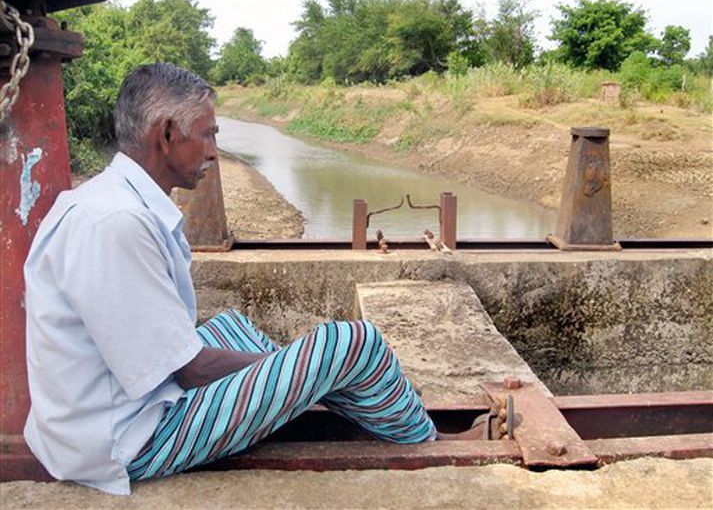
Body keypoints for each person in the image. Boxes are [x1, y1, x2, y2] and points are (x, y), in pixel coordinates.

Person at [23, 63, 496, 496]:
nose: (213, 152)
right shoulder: (117, 225)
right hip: (127, 441)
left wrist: (291, 372)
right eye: (207, 135)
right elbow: (185, 370)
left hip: (99, 416)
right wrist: (305, 369)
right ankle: (428, 441)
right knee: (351, 344)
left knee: (232, 326)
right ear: (166, 134)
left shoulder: (101, 201)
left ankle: (326, 394)